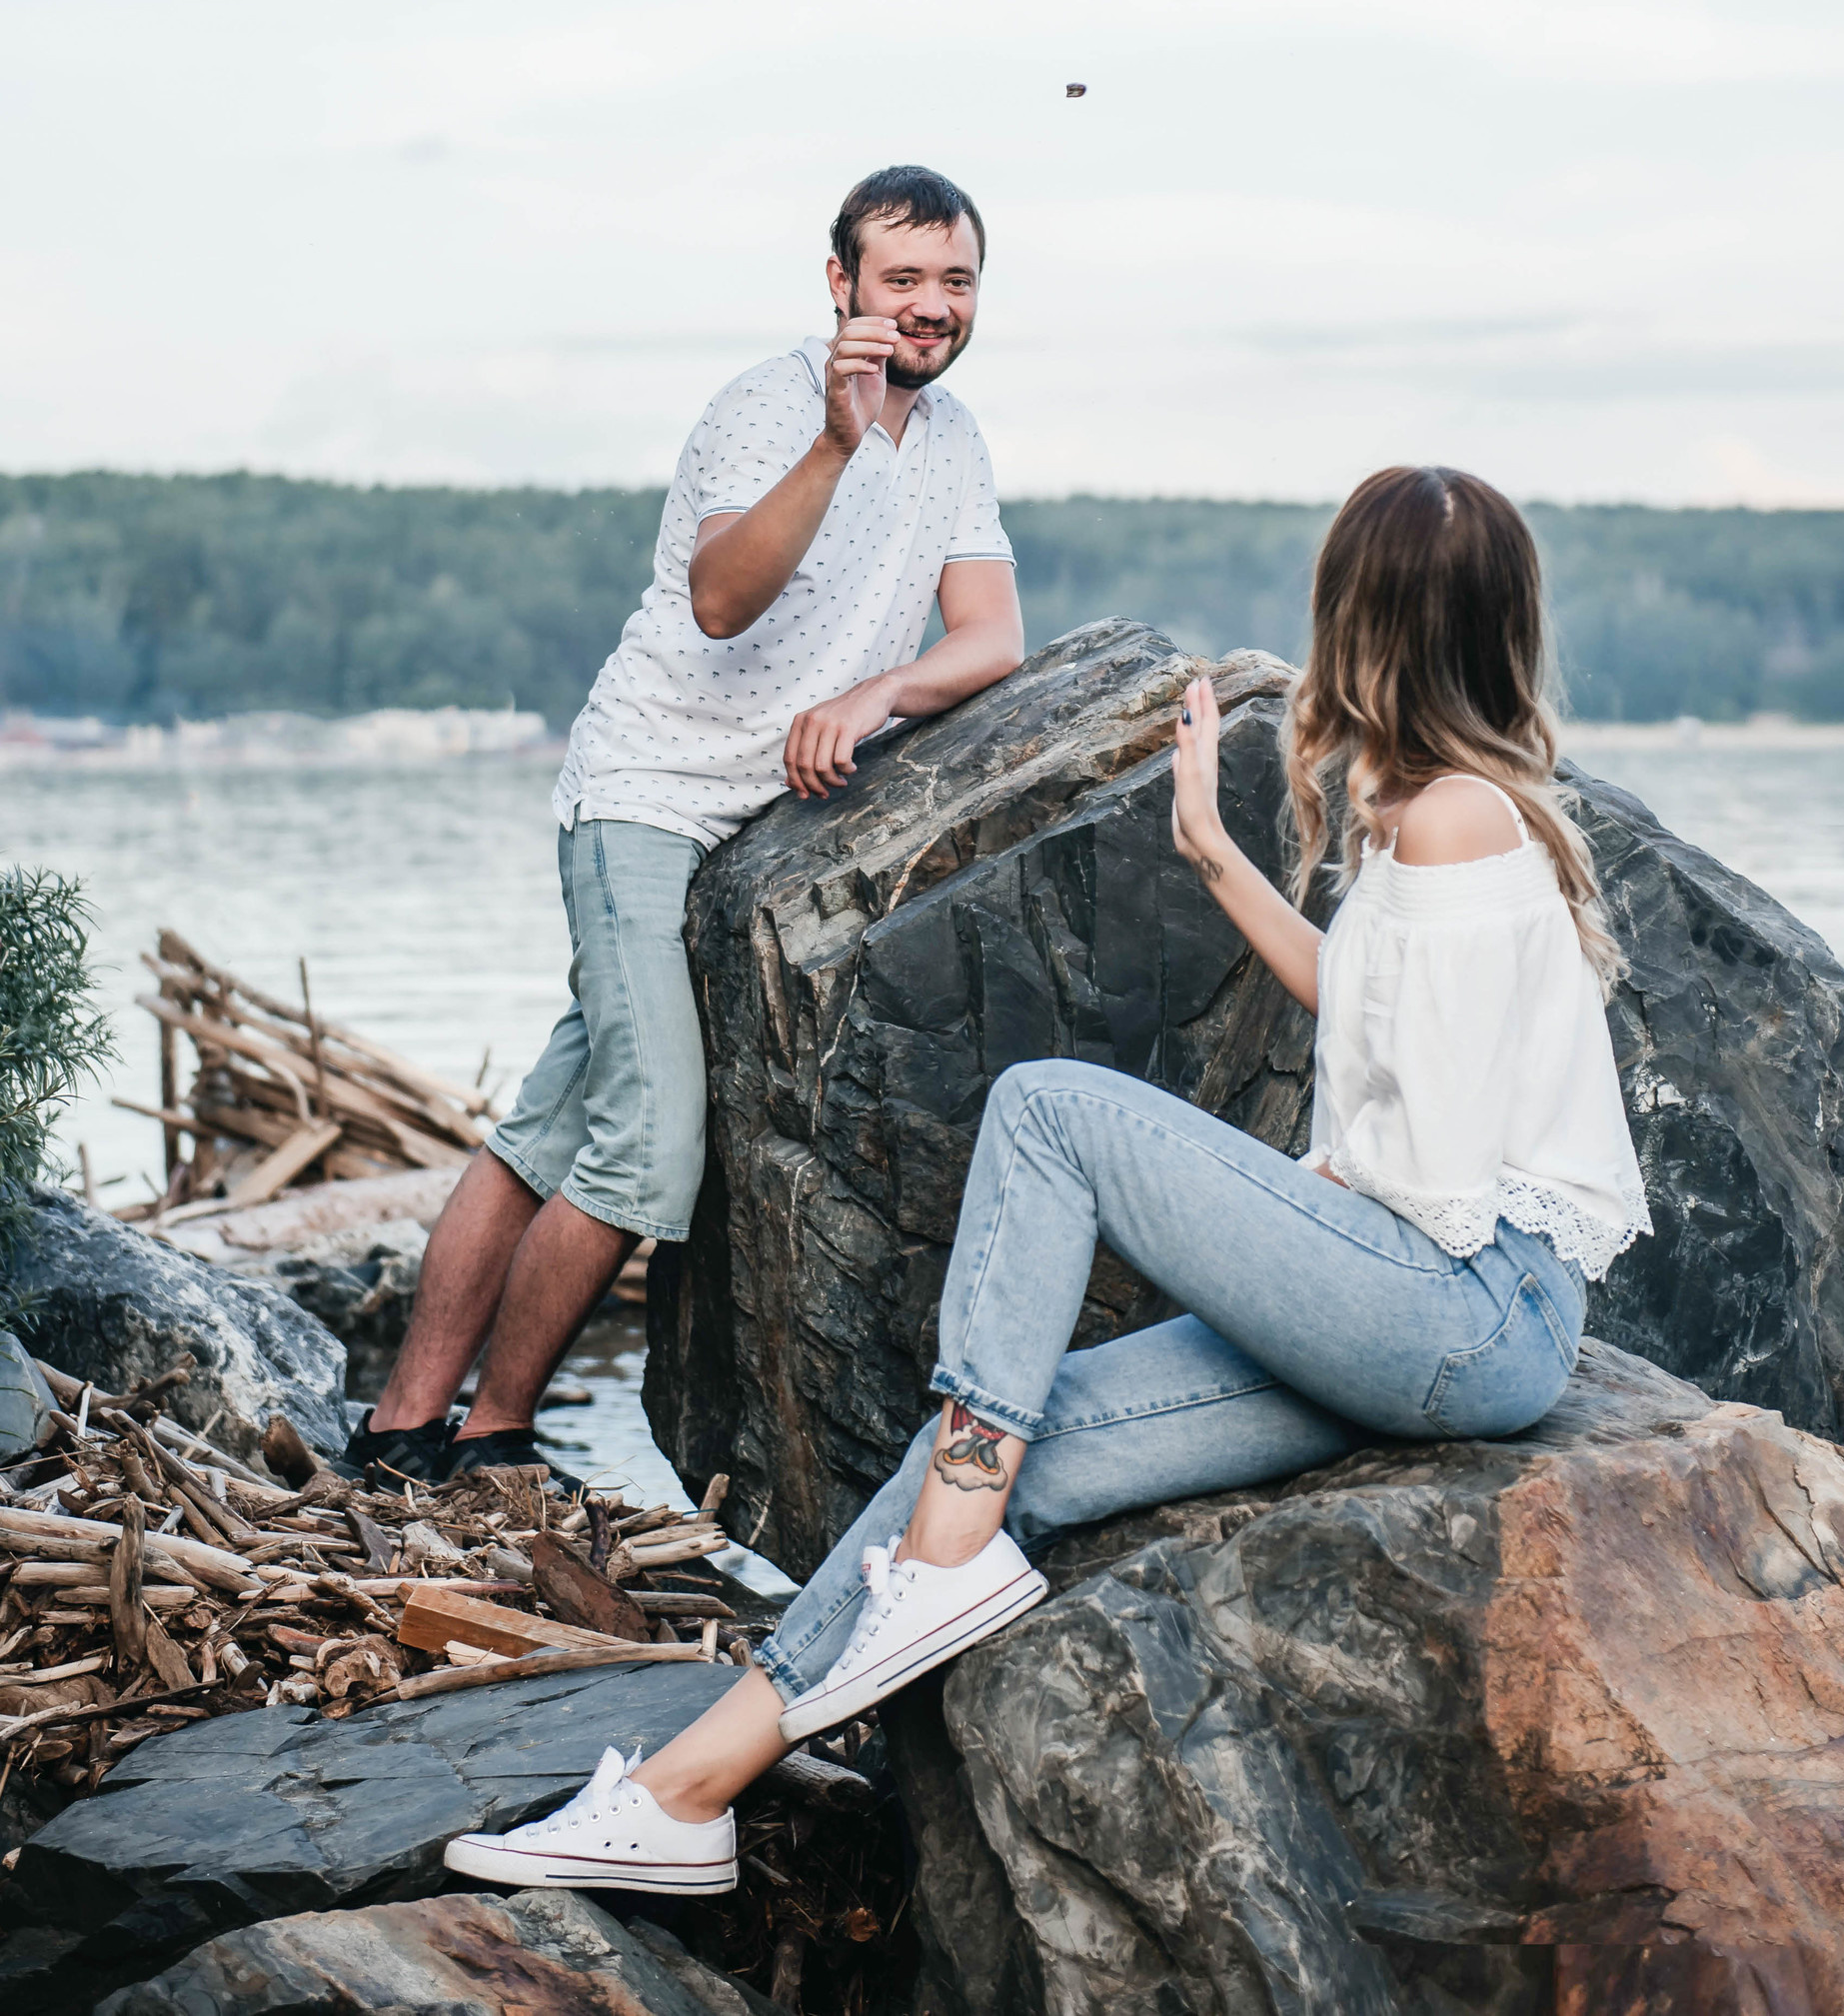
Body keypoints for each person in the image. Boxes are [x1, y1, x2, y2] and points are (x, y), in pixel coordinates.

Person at [441, 463, 1650, 1895]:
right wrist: (1209, 853)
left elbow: (1433, 1179)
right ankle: (689, 1790)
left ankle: (936, 1558)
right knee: (1016, 1438)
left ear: (1363, 620)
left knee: (1050, 1114)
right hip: (1425, 1309)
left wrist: (1267, 1229)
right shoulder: (1449, 808)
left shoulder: (1456, 819)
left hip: (1464, 1310)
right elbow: (1383, 1017)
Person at [343, 166, 1024, 1490]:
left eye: (956, 281)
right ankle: (491, 1444)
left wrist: (881, 688)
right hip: (649, 800)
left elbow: (992, 637)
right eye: (903, 281)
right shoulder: (766, 407)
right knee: (649, 1145)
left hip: (756, 843)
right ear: (842, 287)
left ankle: (396, 1430)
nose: (932, 307)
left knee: (555, 1124)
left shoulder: (957, 442)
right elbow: (719, 599)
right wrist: (834, 440)